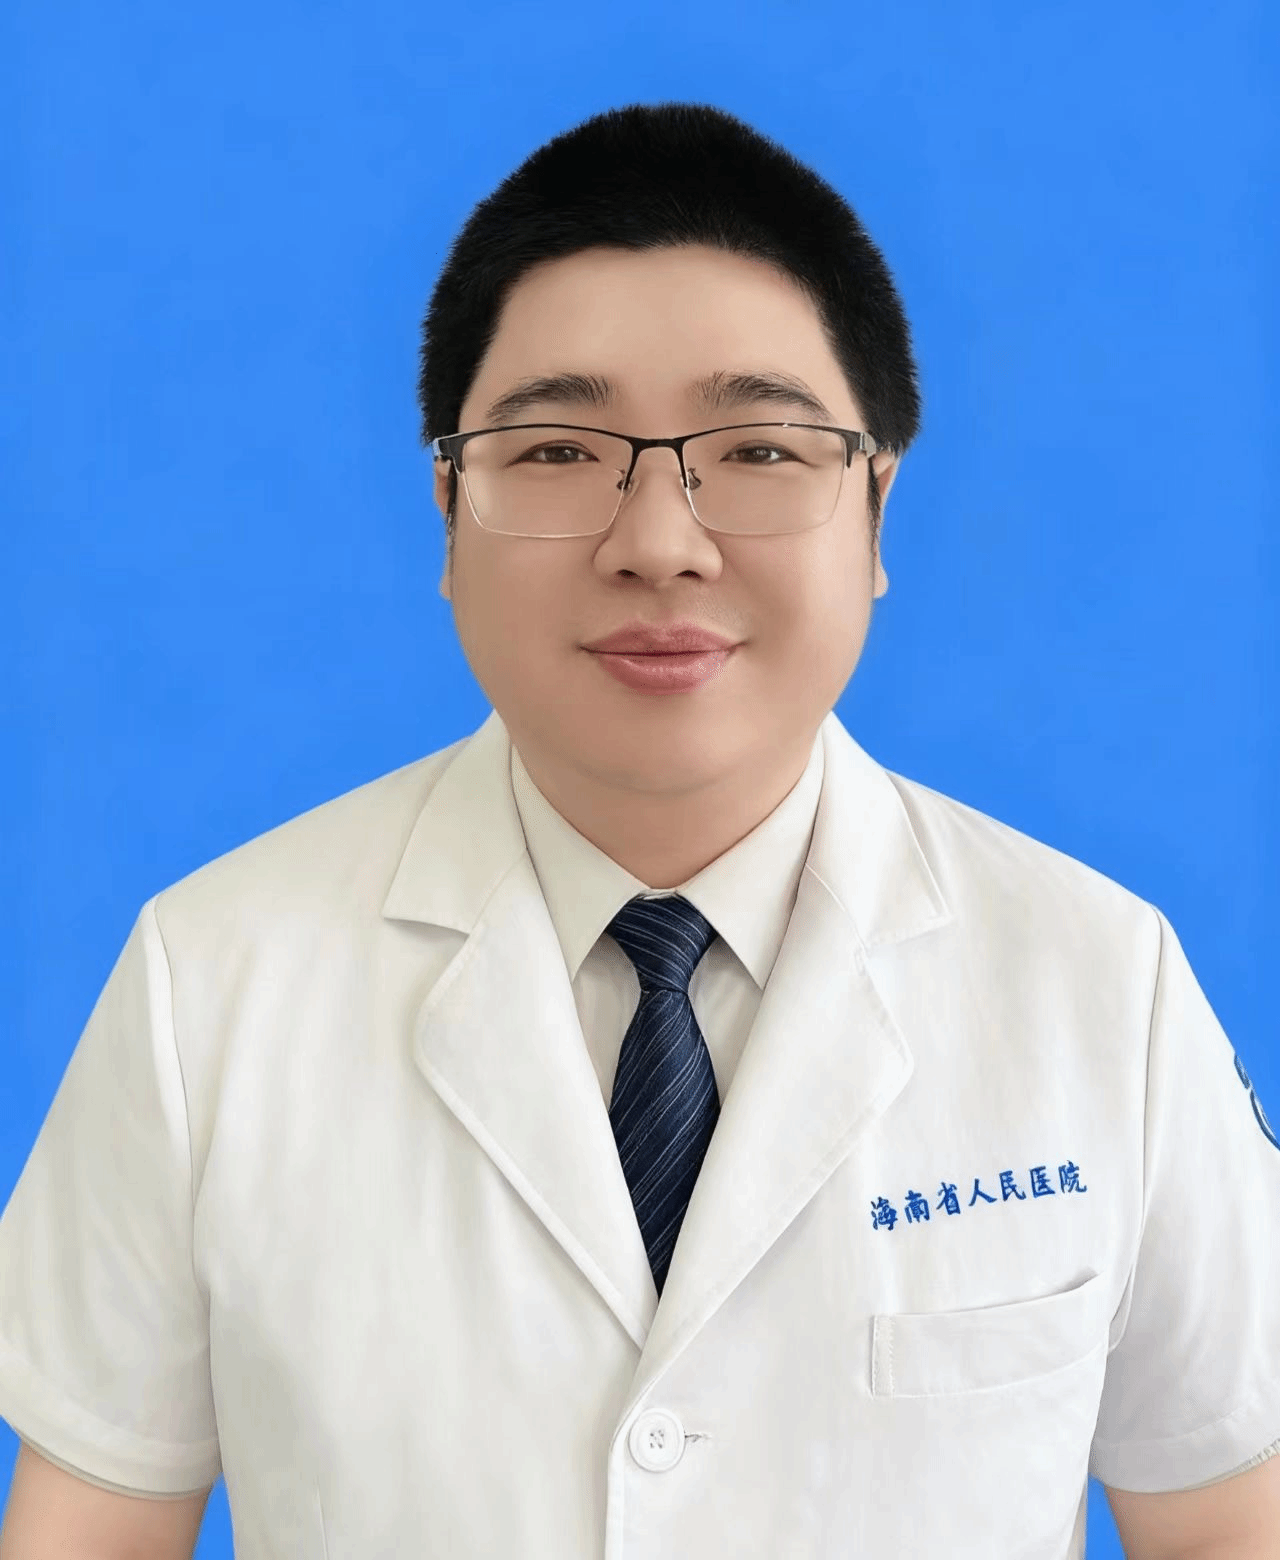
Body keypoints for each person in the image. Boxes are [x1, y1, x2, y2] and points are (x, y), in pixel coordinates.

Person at [1, 100, 1277, 1560]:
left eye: (760, 451)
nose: (659, 543)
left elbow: (1228, 1521)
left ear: (876, 509)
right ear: (449, 507)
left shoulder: (1101, 985)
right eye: (556, 451)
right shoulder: (209, 983)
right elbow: (89, 1530)